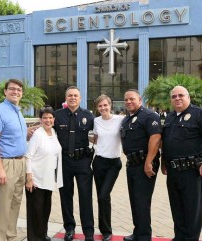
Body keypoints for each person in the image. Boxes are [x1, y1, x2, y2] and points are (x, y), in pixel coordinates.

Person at [161, 85, 202, 241]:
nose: (177, 98)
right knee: (177, 208)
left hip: (192, 171)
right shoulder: (170, 117)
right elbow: (166, 141)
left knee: (192, 210)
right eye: (174, 96)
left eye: (181, 95)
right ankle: (179, 237)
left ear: (188, 97)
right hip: (173, 171)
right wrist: (164, 162)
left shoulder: (200, 114)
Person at [0, 79, 33, 241]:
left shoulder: (17, 111)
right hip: (5, 163)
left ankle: (11, 235)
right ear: (5, 92)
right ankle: (0, 238)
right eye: (12, 89)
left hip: (20, 163)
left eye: (19, 90)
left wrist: (28, 132)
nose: (16, 92)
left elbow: (10, 134)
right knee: (2, 206)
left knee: (15, 204)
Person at [54, 86, 95, 241]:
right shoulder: (57, 115)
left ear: (80, 98)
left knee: (86, 196)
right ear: (66, 98)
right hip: (64, 161)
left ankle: (88, 231)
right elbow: (46, 129)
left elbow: (99, 133)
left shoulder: (88, 116)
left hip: (83, 160)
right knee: (66, 196)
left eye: (75, 96)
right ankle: (69, 228)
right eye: (70, 95)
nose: (72, 98)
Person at [120, 89, 162, 241]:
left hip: (145, 164)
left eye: (132, 99)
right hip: (132, 164)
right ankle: (138, 232)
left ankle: (144, 236)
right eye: (126, 100)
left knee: (142, 201)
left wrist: (149, 162)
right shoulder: (126, 119)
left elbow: (156, 138)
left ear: (140, 100)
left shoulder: (149, 116)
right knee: (134, 200)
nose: (129, 102)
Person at [25, 105, 63, 241]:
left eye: (50, 117)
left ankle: (42, 235)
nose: (48, 120)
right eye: (45, 118)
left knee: (45, 211)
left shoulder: (53, 132)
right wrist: (29, 179)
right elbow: (28, 156)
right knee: (36, 212)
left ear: (54, 119)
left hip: (48, 179)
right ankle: (35, 238)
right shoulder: (37, 135)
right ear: (40, 119)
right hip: (36, 180)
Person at [92, 95, 123, 241]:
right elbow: (96, 139)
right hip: (98, 162)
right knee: (101, 197)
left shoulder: (120, 120)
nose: (103, 108)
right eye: (100, 106)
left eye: (105, 105)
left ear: (110, 105)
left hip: (113, 163)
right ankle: (104, 229)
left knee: (104, 195)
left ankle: (107, 230)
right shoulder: (96, 121)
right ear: (97, 108)